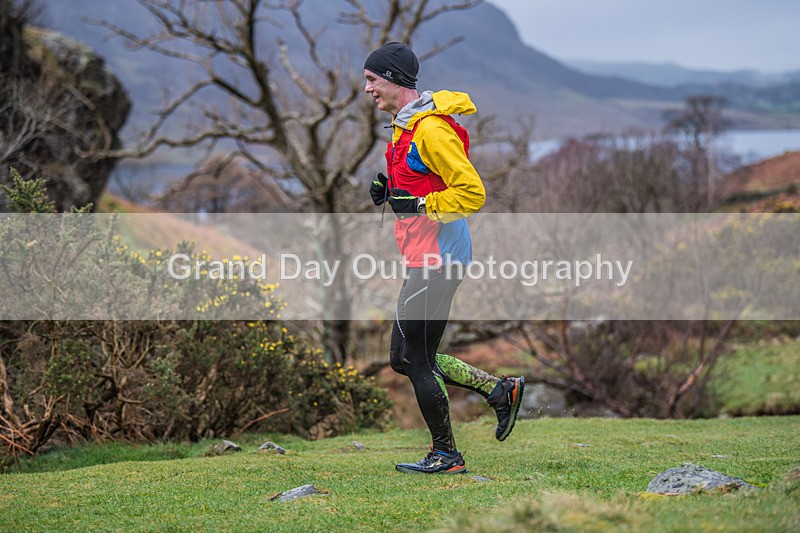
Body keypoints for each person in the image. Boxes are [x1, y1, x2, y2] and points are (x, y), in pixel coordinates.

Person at [364, 42, 525, 474]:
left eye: (372, 80)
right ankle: (499, 391)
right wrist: (391, 192)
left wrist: (416, 206)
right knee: (410, 357)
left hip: (439, 255)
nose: (366, 89)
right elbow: (421, 180)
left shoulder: (431, 129)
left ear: (394, 80)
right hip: (428, 254)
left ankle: (447, 455)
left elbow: (471, 192)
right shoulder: (405, 125)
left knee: (412, 358)